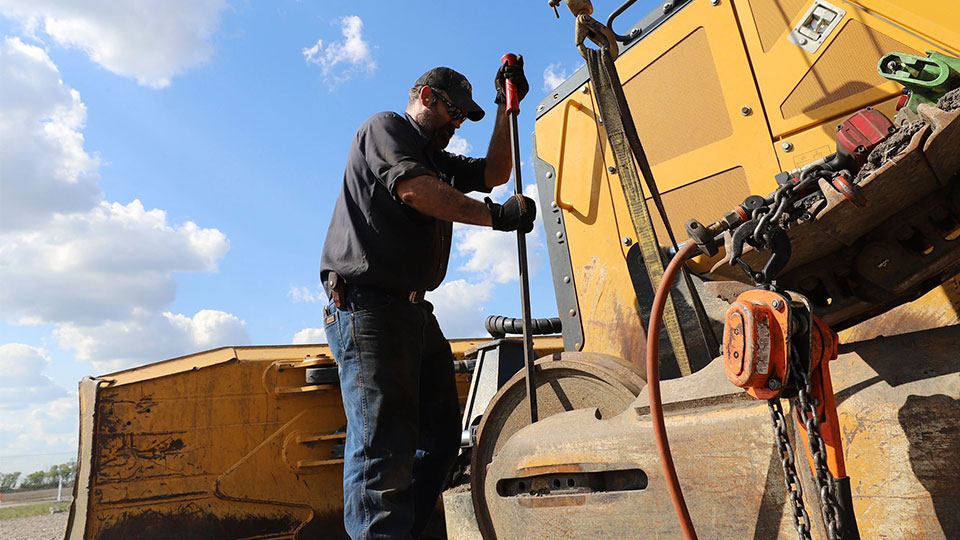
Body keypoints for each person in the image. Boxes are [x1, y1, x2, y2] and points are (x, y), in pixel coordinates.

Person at [320, 60, 534, 540]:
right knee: (382, 448)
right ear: (425, 96)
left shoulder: (437, 159)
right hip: (368, 308)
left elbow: (495, 172)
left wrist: (505, 106)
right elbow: (416, 191)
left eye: (463, 118)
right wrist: (497, 218)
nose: (456, 124)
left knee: (439, 440)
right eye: (453, 112)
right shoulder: (386, 129)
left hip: (414, 312)